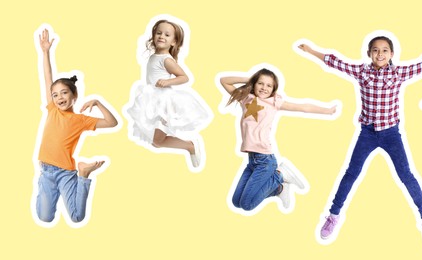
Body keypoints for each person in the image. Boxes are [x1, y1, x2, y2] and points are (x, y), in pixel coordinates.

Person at [298, 33, 422, 244]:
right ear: (369, 53)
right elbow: (335, 63)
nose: (380, 54)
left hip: (391, 134)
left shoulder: (398, 73)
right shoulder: (362, 72)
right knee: (351, 173)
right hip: (367, 133)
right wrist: (311, 51)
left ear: (392, 54)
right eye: (375, 50)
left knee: (406, 175)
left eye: (384, 50)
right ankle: (333, 215)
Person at [220, 68, 337, 212]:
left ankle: (280, 175)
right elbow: (224, 81)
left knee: (247, 205)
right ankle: (279, 189)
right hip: (252, 161)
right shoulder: (246, 98)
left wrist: (328, 110)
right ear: (255, 84)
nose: (264, 88)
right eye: (260, 83)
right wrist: (250, 79)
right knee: (236, 202)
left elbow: (303, 107)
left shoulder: (274, 102)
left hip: (265, 160)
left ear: (273, 89)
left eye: (269, 85)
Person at [34, 27, 119, 224]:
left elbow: (111, 122)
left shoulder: (80, 120)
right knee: (45, 218)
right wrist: (45, 52)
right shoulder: (52, 109)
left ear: (74, 96)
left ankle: (84, 174)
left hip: (66, 172)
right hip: (46, 171)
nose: (59, 97)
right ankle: (44, 186)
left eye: (64, 93)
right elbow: (48, 77)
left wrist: (98, 103)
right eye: (55, 95)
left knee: (77, 217)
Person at [124, 18, 210, 171]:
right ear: (153, 35)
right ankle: (189, 146)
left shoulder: (166, 60)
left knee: (157, 141)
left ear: (174, 42)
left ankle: (190, 145)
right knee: (156, 142)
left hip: (163, 103)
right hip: (151, 101)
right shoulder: (153, 57)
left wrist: (167, 82)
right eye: (159, 33)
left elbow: (184, 77)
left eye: (167, 35)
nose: (161, 36)